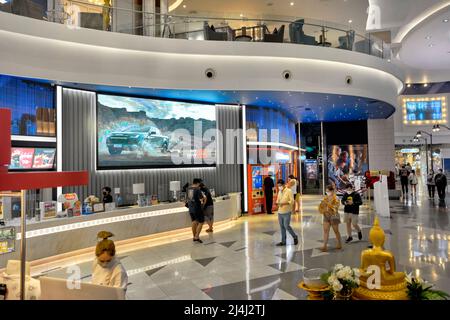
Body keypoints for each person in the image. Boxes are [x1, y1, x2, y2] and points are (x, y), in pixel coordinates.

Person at [318, 185, 342, 252]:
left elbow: (336, 208)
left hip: (334, 216)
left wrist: (328, 205)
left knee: (336, 231)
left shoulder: (336, 198)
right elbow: (321, 207)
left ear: (332, 191)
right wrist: (323, 208)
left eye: (328, 191)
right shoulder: (325, 198)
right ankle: (324, 246)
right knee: (325, 231)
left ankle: (339, 243)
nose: (327, 192)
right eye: (326, 191)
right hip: (326, 216)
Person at [275, 179, 298, 246]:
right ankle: (283, 241)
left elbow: (292, 201)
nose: (279, 187)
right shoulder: (279, 191)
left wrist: (285, 203)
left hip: (287, 211)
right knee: (282, 226)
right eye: (278, 186)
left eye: (280, 185)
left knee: (286, 226)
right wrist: (277, 203)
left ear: (283, 185)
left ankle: (294, 236)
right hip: (280, 212)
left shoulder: (289, 191)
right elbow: (278, 199)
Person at [186, 178, 206, 243]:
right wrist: (204, 200)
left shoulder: (189, 188)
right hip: (197, 208)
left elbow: (188, 198)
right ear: (198, 183)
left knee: (194, 222)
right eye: (199, 183)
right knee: (201, 222)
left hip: (191, 208)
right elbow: (201, 199)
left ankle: (194, 236)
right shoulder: (197, 189)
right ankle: (197, 236)